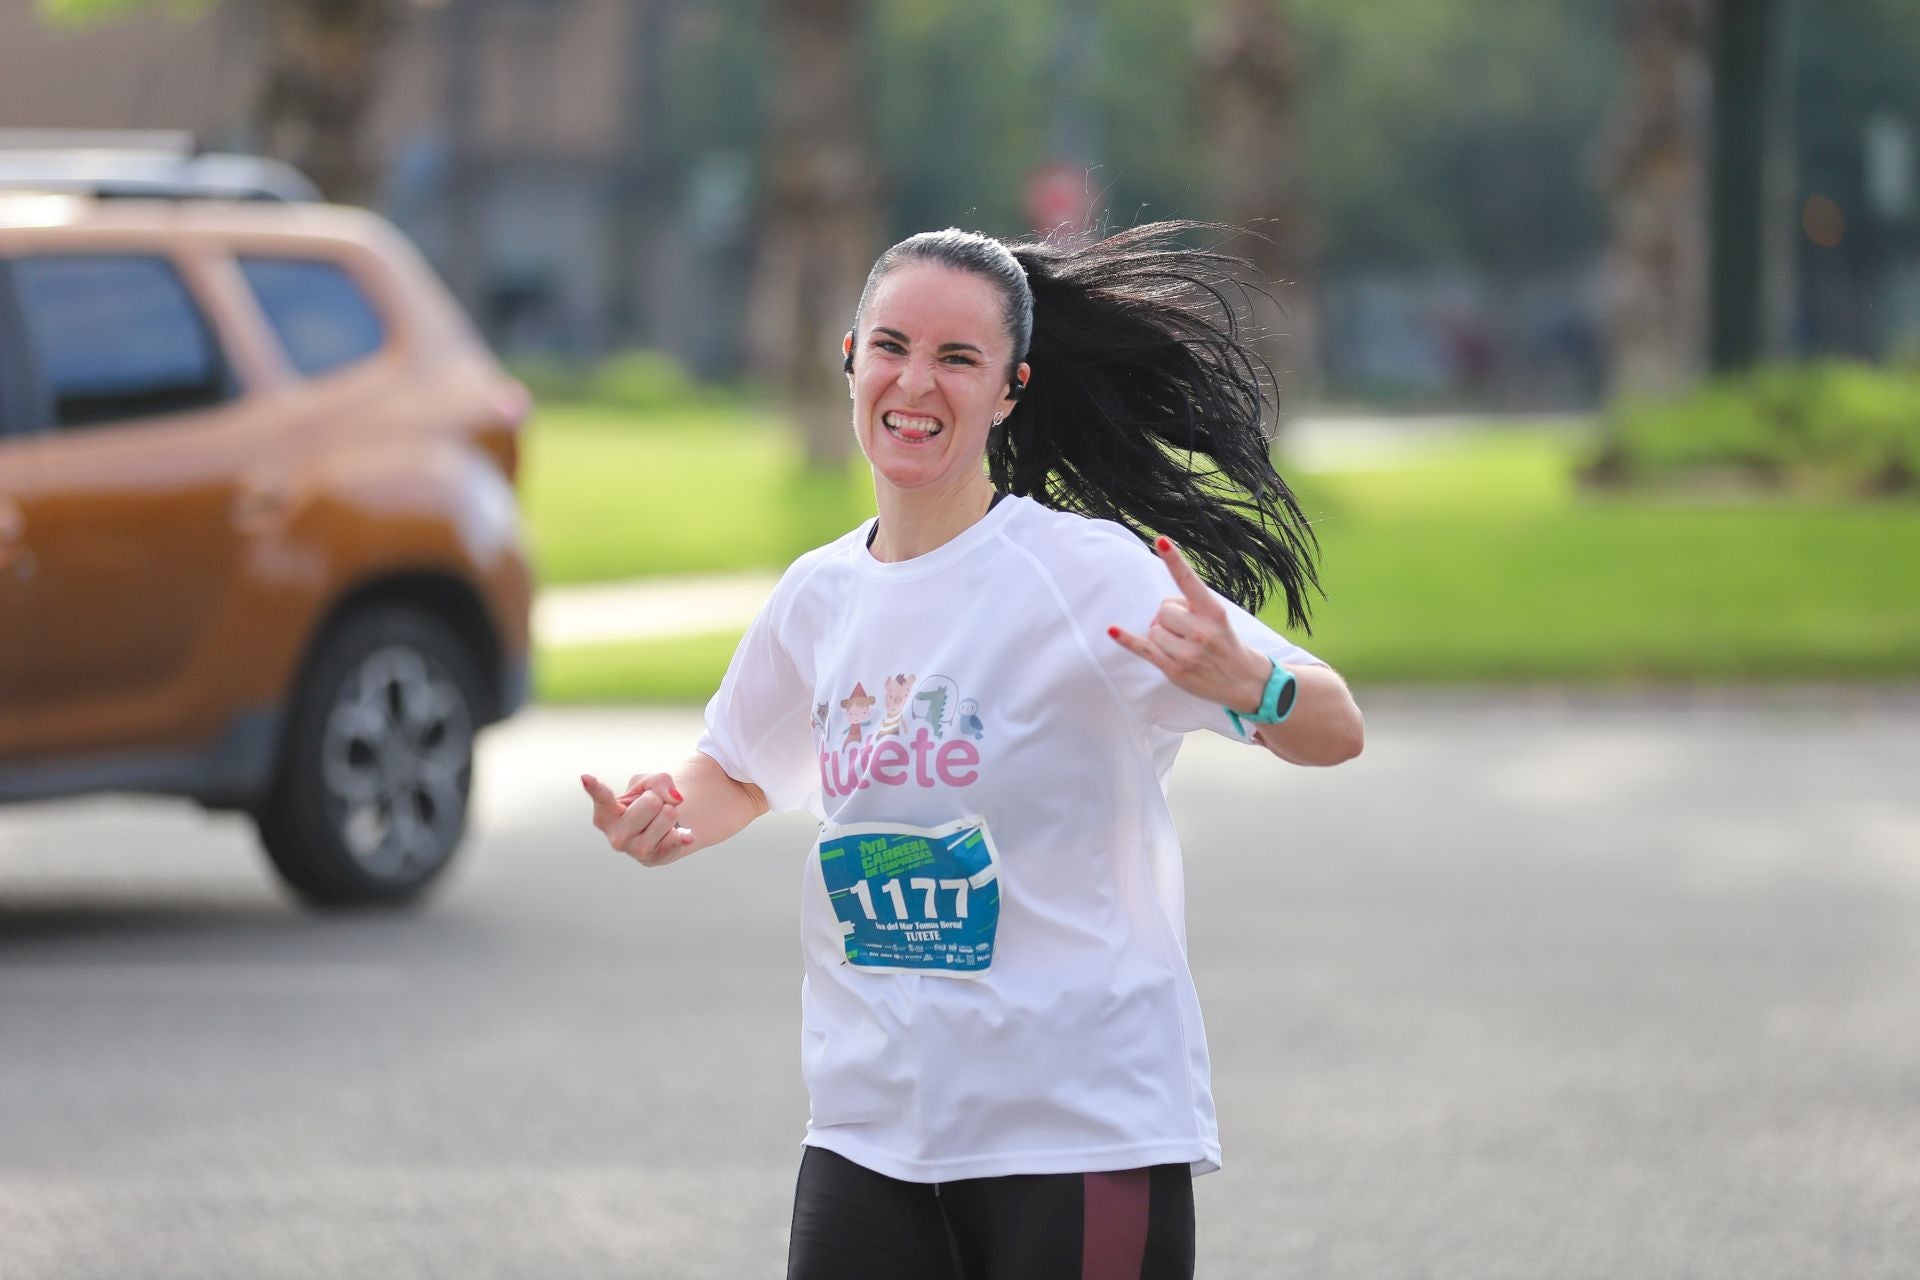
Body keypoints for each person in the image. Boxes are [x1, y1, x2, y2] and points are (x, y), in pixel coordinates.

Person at [583, 222, 1365, 1279]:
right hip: (870, 1130)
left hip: (1078, 1131)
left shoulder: (1085, 575)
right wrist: (664, 810)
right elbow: (735, 768)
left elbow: (1334, 725)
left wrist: (1255, 685)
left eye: (958, 358)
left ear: (1009, 391)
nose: (916, 383)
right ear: (850, 357)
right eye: (892, 346)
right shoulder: (820, 595)